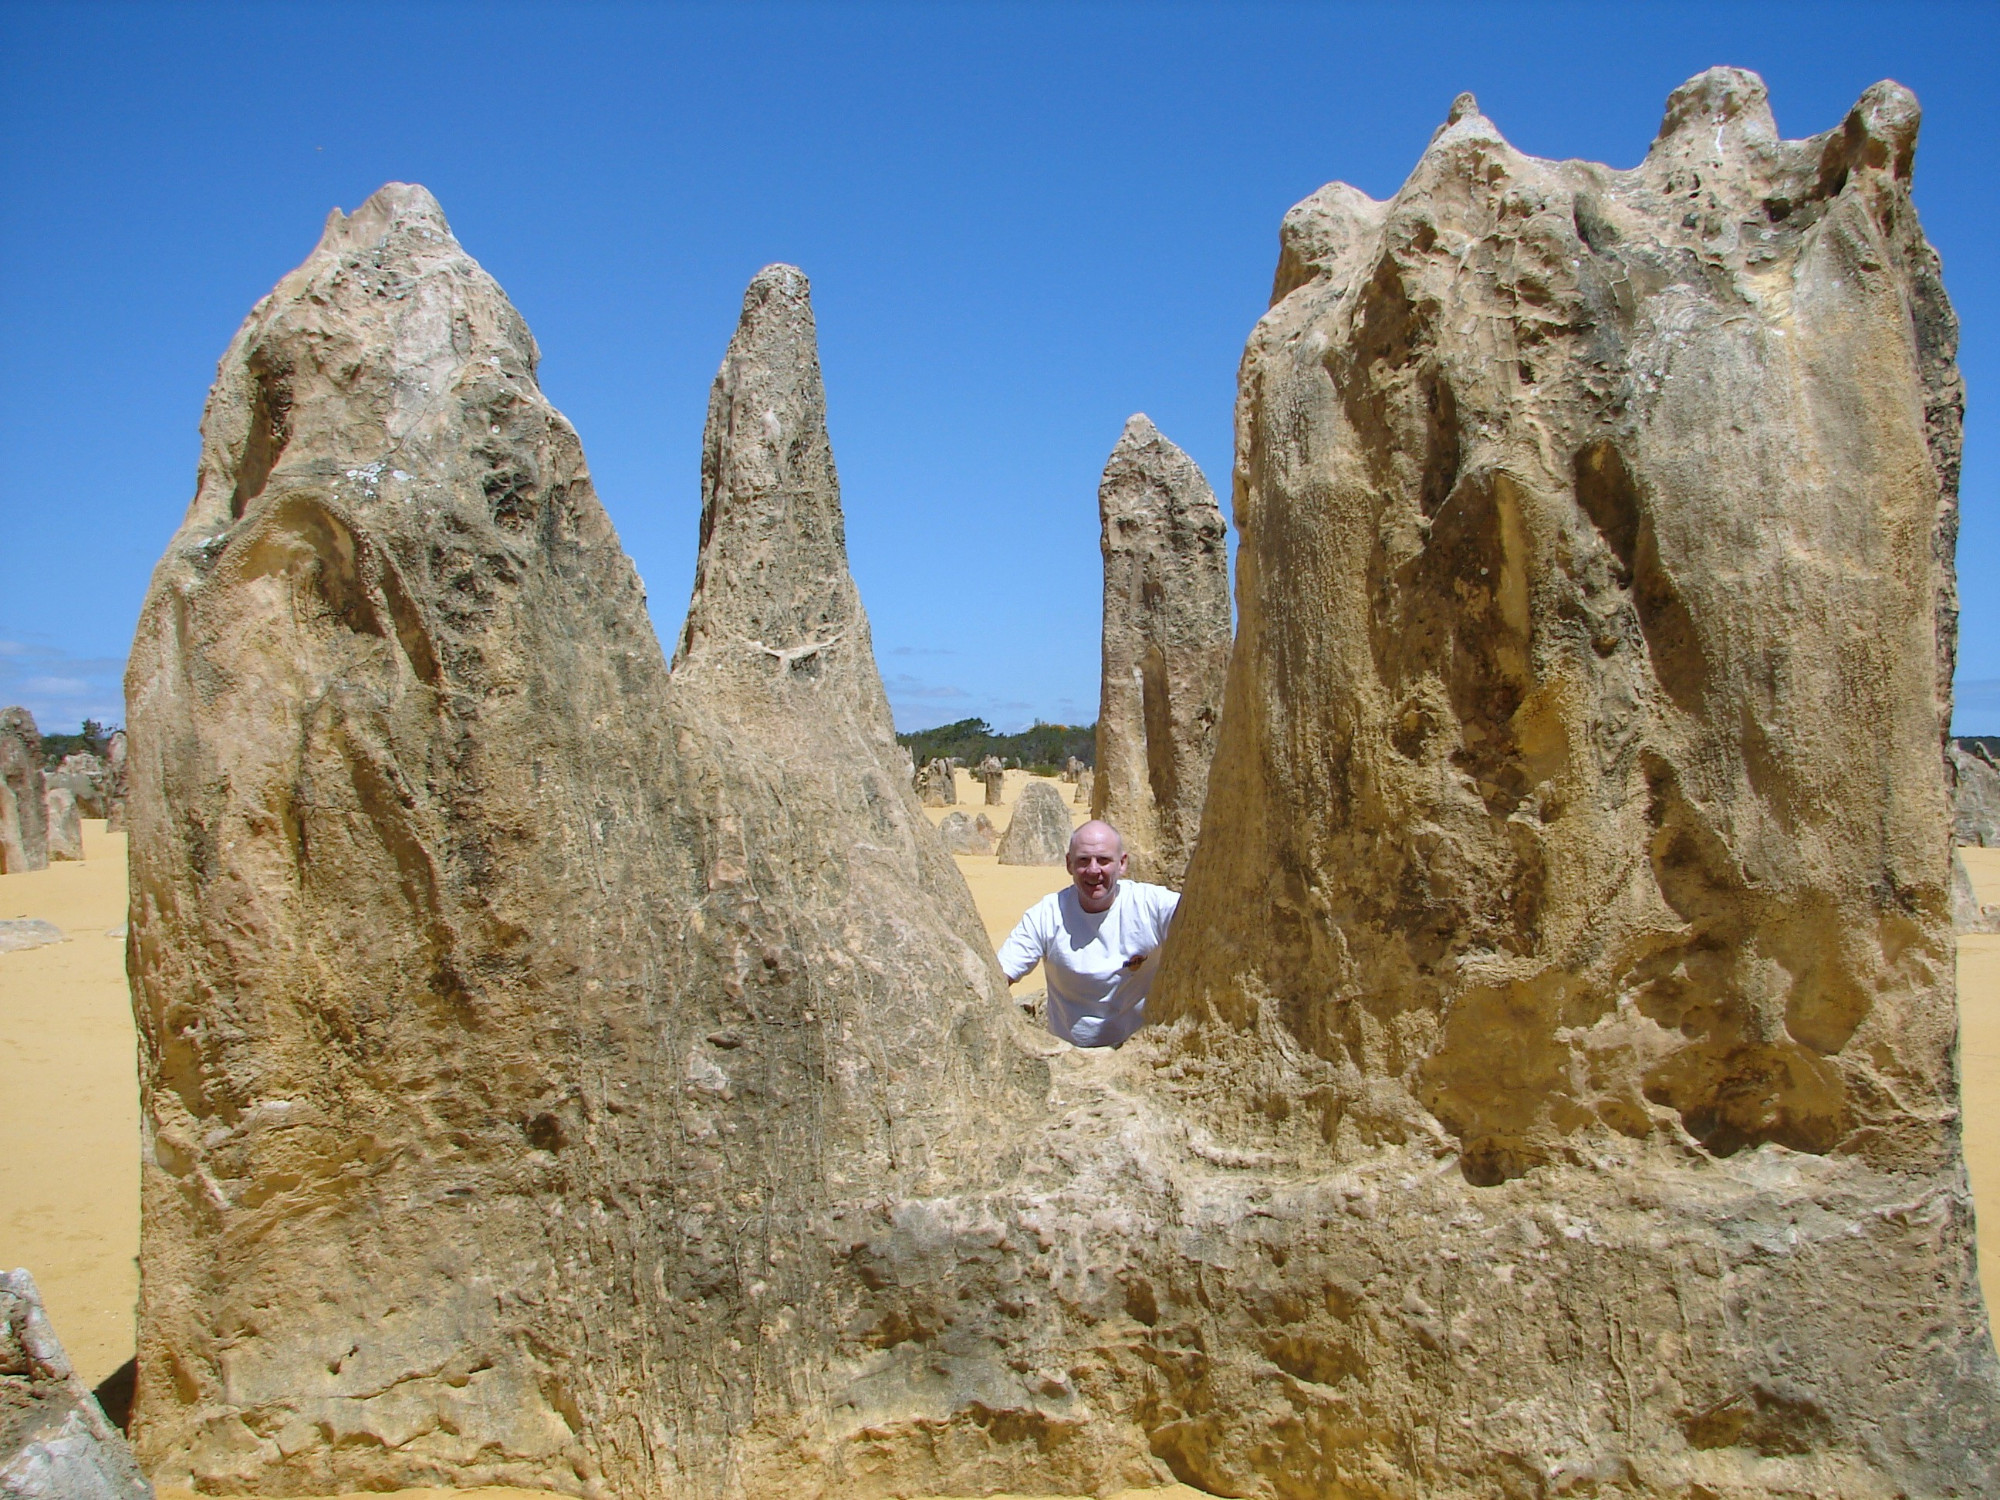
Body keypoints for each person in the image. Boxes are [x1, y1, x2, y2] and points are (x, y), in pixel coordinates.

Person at [996, 820, 1179, 1048]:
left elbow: (1205, 926)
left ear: (1122, 864)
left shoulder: (1152, 905)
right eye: (1083, 860)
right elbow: (999, 975)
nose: (1093, 870)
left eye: (1103, 860)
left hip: (1136, 1057)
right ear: (1069, 864)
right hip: (1068, 1059)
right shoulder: (1046, 914)